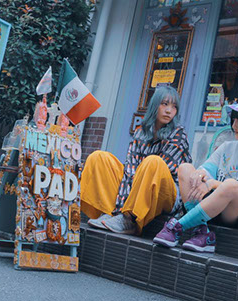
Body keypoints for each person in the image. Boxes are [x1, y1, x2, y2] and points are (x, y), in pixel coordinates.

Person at [153, 96, 238, 252]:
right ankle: (202, 232)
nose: (234, 125)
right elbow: (205, 170)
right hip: (214, 206)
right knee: (185, 168)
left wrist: (212, 184)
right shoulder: (227, 146)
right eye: (234, 119)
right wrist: (201, 176)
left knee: (231, 186)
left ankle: (177, 227)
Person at [80, 85, 191, 235]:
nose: (169, 110)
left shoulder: (179, 134)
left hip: (166, 194)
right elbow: (130, 172)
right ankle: (109, 212)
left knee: (153, 163)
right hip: (136, 188)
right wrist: (119, 209)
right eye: (164, 104)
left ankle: (130, 219)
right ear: (154, 105)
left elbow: (158, 174)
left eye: (174, 106)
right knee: (99, 158)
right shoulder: (140, 132)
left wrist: (127, 214)